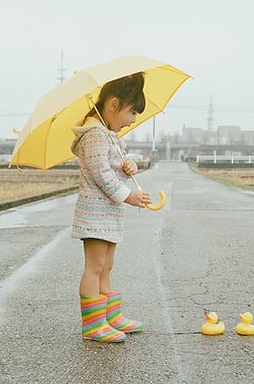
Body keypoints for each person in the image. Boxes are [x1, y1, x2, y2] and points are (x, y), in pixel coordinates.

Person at [70, 72, 151, 343]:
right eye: (132, 112)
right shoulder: (94, 135)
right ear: (113, 104)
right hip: (95, 213)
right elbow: (101, 174)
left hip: (108, 212)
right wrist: (129, 196)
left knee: (107, 266)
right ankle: (93, 325)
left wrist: (129, 167)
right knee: (95, 266)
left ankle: (109, 317)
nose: (133, 120)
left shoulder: (110, 135)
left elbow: (115, 167)